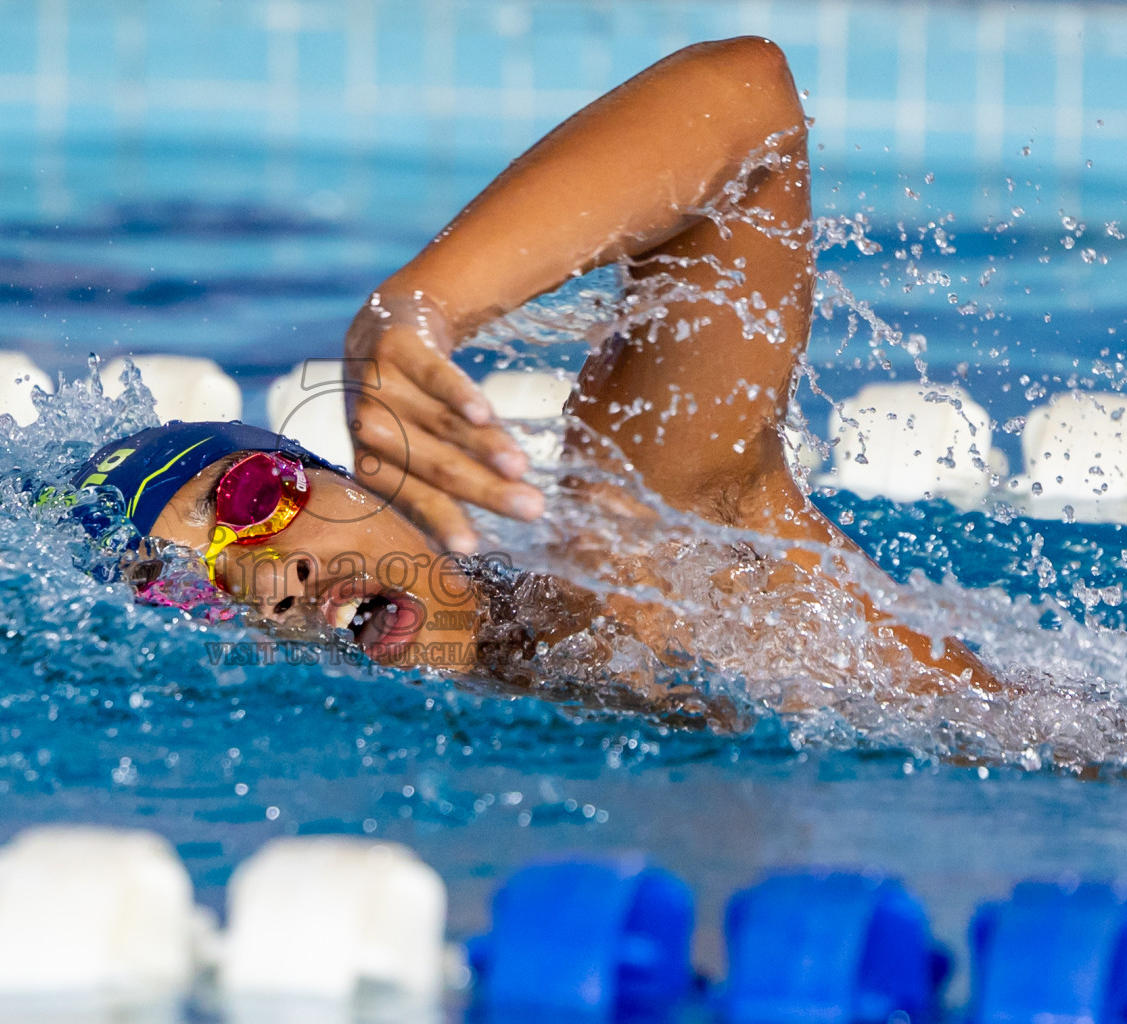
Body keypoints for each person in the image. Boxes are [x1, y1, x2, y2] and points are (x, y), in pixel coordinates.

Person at [69, 36, 1001, 720]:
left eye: (251, 497)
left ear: (355, 478)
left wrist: (417, 310)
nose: (270, 577)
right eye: (189, 587)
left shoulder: (643, 547)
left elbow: (749, 101)